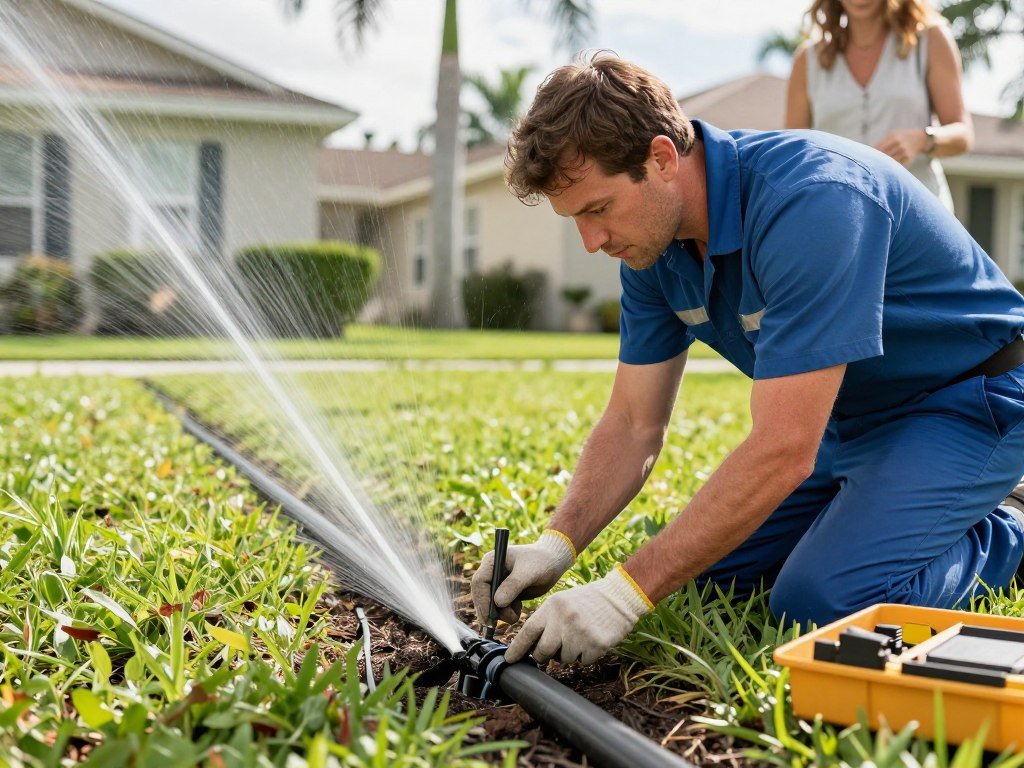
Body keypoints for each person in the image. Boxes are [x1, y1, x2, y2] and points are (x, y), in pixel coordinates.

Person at [470, 53, 1024, 668]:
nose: (592, 241)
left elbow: (784, 448)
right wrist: (557, 544)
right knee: (713, 578)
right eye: (575, 219)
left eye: (597, 209)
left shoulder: (812, 200)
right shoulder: (652, 248)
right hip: (852, 418)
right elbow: (633, 422)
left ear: (662, 158)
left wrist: (623, 595)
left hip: (972, 400)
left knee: (822, 606)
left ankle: (1010, 525)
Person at [786, 0, 973, 212]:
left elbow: (963, 135)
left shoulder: (931, 40)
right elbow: (794, 155)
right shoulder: (808, 59)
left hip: (918, 211)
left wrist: (922, 139)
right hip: (839, 214)